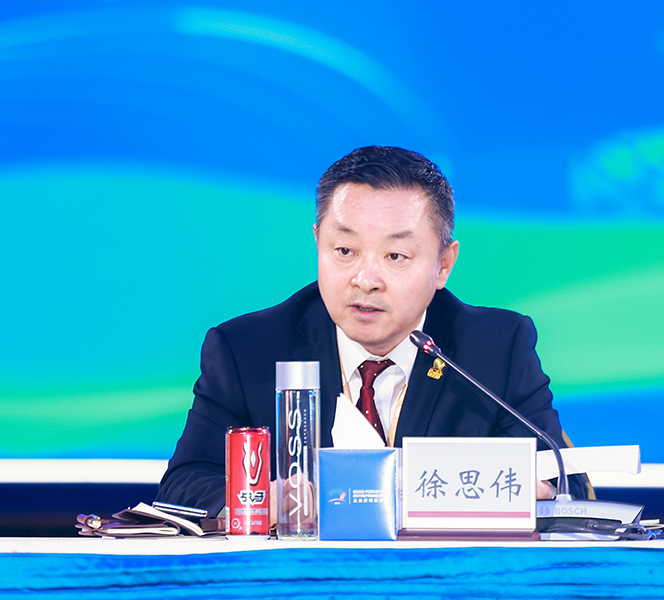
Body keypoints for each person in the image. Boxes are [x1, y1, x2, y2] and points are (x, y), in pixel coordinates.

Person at [156, 146, 586, 516]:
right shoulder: (249, 350)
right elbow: (184, 484)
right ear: (318, 242)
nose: (365, 279)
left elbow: (566, 484)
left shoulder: (495, 347)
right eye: (345, 250)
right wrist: (262, 501)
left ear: (443, 264)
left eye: (396, 256)